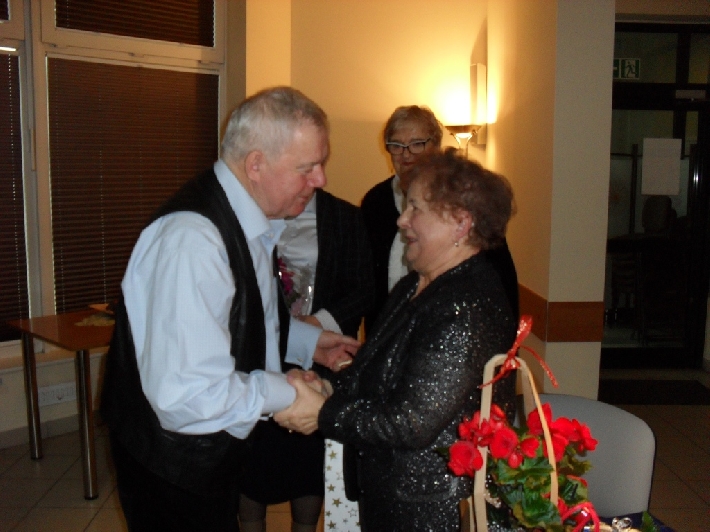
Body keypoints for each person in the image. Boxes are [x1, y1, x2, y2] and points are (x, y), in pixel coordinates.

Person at [100, 86, 360, 532]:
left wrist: (308, 343)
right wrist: (287, 396)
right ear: (255, 164)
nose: (321, 180)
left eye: (322, 164)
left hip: (211, 457)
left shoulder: (250, 218)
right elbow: (189, 395)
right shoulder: (193, 241)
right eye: (307, 167)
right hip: (175, 470)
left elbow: (246, 316)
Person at [275, 148, 519, 531]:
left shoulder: (467, 306)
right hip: (392, 495)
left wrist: (323, 413)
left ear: (460, 223)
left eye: (416, 208)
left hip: (434, 510)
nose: (402, 220)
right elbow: (372, 369)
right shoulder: (414, 285)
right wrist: (327, 386)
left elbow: (411, 422)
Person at [238, 187, 375, 532]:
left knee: (306, 463)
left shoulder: (344, 216)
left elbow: (363, 288)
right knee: (252, 463)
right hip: (258, 357)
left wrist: (315, 325)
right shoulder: (252, 210)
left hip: (317, 359)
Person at [361, 106, 519, 333]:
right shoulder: (375, 202)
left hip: (452, 325)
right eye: (396, 145)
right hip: (387, 330)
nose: (406, 154)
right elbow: (366, 279)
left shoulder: (463, 199)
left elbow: (499, 274)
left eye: (417, 144)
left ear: (436, 146)